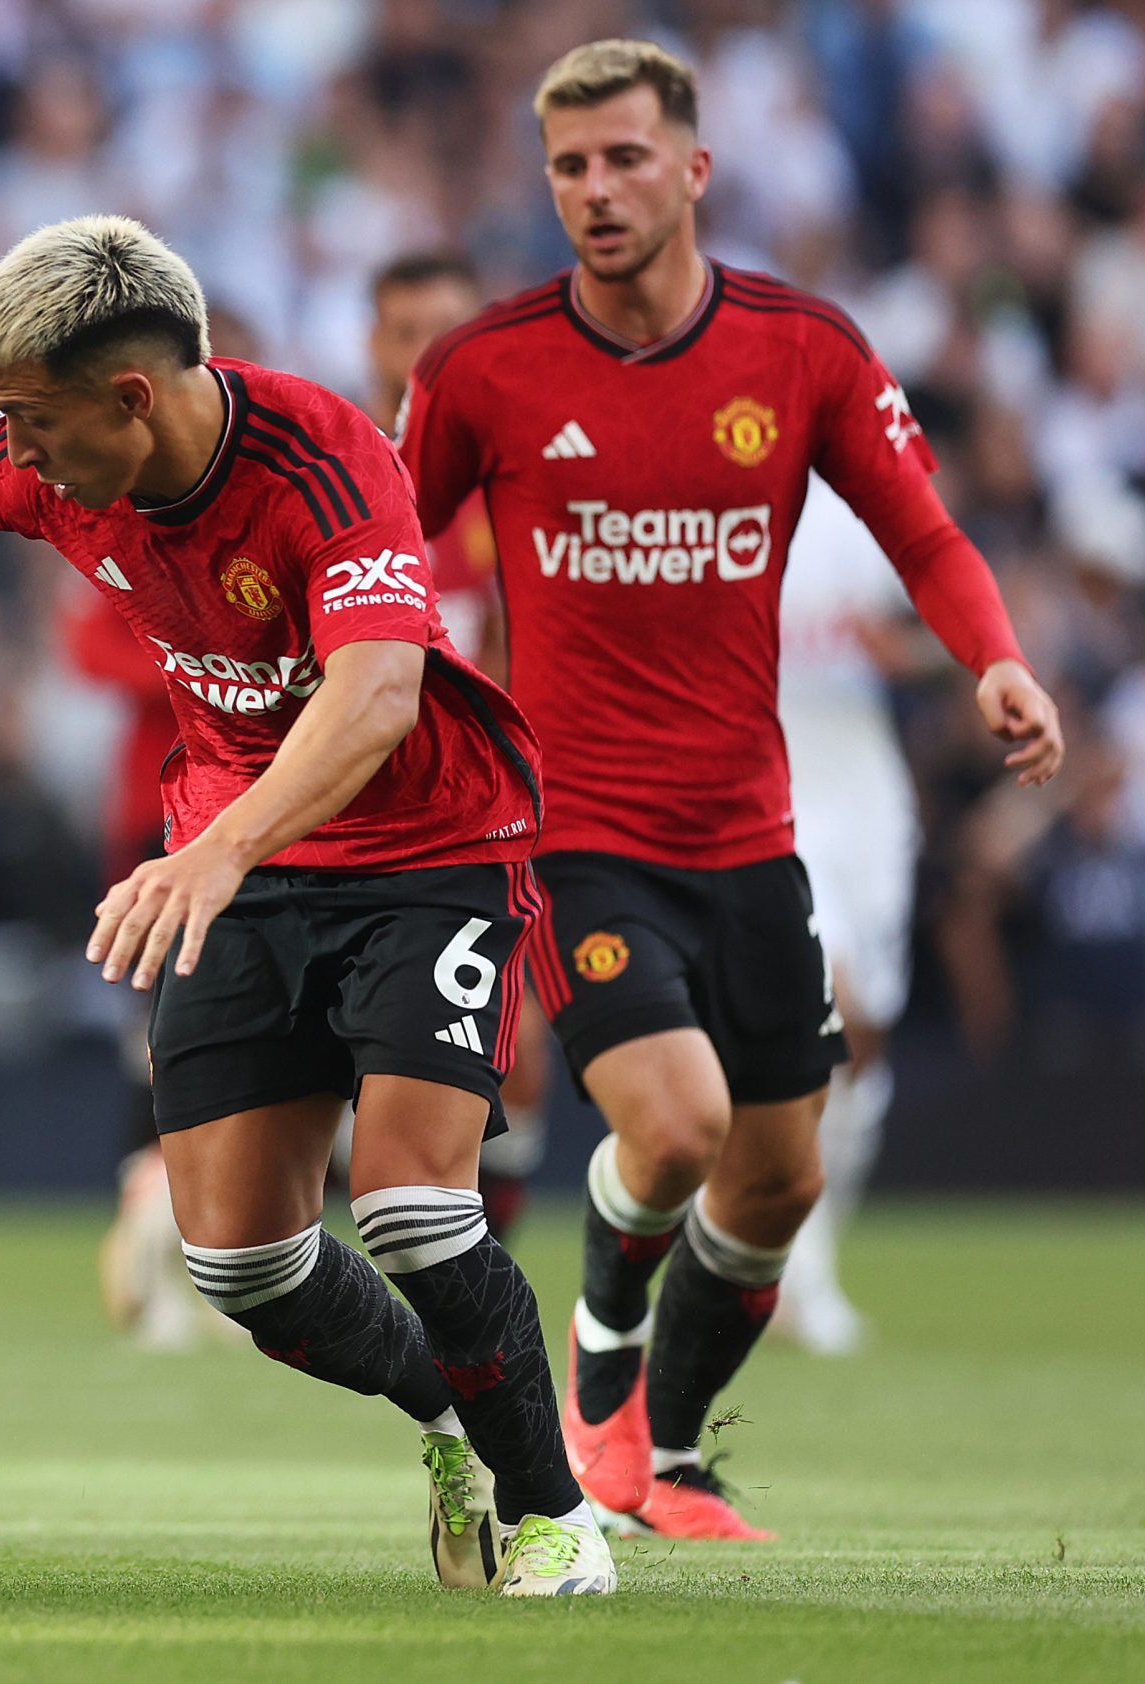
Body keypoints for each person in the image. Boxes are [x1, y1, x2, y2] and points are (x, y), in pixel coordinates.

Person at [0, 215, 615, 1596]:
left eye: (33, 418)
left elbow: (377, 695)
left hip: (425, 854)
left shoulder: (324, 459)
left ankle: (552, 1515)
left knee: (416, 1207)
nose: (14, 446)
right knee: (241, 1264)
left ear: (131, 394)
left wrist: (220, 848)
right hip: (235, 862)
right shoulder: (41, 457)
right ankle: (452, 1418)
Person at [398, 39, 1064, 1540]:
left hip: (750, 837)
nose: (595, 191)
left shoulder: (802, 348)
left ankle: (668, 1454)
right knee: (678, 1127)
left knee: (776, 1186)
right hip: (575, 835)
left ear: (694, 169)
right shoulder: (486, 368)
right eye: (569, 166)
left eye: (625, 158)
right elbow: (384, 546)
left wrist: (998, 661)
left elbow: (930, 538)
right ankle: (597, 1383)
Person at [362, 253, 549, 1245]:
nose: (429, 356)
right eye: (408, 333)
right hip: (342, 803)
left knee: (513, 1051)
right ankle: (174, 1214)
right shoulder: (338, 467)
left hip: (479, 808)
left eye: (451, 332)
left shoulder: (515, 480)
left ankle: (477, 1283)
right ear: (373, 344)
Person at [773, 477, 923, 1354]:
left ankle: (802, 1260)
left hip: (868, 799)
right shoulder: (708, 498)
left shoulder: (860, 509)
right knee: (830, 1016)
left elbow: (912, 640)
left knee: (867, 1047)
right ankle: (803, 1280)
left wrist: (960, 646)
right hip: (777, 795)